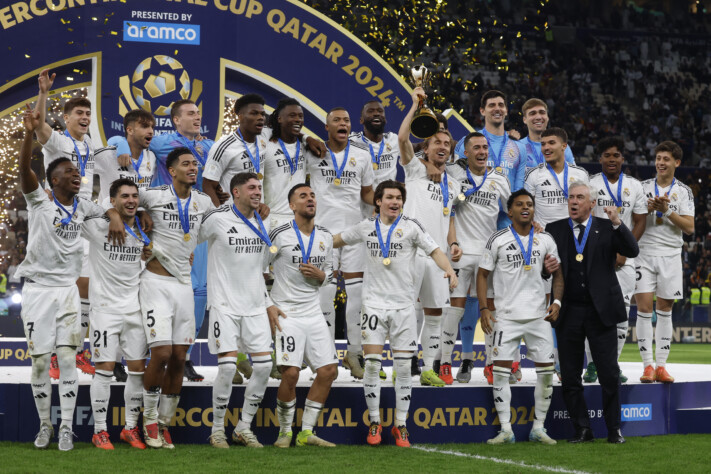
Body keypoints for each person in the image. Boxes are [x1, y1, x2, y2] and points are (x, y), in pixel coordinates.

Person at [16, 106, 124, 451]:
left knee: (66, 358)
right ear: (53, 180)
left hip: (66, 292)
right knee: (38, 361)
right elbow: (23, 172)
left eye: (78, 171)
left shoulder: (81, 205)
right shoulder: (40, 203)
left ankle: (65, 427)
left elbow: (104, 206)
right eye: (68, 172)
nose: (76, 175)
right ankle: (44, 425)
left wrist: (113, 215)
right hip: (36, 291)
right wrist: (28, 136)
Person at [333, 180, 458, 447]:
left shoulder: (412, 227)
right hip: (374, 306)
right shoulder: (366, 227)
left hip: (403, 307)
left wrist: (448, 269)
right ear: (378, 201)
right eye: (389, 197)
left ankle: (401, 425)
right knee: (373, 365)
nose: (395, 202)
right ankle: (375, 423)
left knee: (403, 368)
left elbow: (435, 250)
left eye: (399, 198)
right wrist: (312, 245)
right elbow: (336, 240)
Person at [108, 98, 217, 382]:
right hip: (163, 221)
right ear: (176, 120)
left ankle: (187, 357)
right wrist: (120, 147)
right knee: (142, 287)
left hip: (195, 221)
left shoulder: (210, 145)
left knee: (199, 290)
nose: (197, 117)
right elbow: (123, 136)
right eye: (191, 113)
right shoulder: (161, 141)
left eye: (198, 113)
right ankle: (127, 356)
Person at [544, 181, 639, 444]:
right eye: (571, 197)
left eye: (579, 198)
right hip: (569, 310)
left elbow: (632, 250)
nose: (573, 202)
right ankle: (582, 429)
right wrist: (546, 267)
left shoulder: (608, 228)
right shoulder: (555, 230)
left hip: (601, 312)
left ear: (592, 203)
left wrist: (619, 223)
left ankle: (613, 429)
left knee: (608, 373)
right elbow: (547, 269)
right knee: (571, 375)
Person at [137, 147, 214, 448]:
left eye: (195, 164)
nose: (193, 168)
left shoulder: (204, 202)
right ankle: (149, 421)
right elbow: (116, 202)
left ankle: (165, 424)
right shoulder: (153, 196)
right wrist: (139, 218)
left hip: (184, 285)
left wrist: (192, 243)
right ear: (172, 170)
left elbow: (210, 229)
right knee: (162, 354)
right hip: (155, 282)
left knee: (181, 358)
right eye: (186, 164)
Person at [477, 189, 562, 445]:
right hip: (506, 317)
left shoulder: (546, 239)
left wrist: (556, 301)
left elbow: (558, 273)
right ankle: (506, 430)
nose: (525, 208)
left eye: (529, 204)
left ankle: (539, 428)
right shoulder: (498, 239)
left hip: (539, 317)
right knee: (501, 373)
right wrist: (484, 308)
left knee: (546, 374)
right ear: (510, 210)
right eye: (520, 205)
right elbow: (482, 274)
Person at [199, 172, 274, 449]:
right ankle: (217, 430)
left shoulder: (263, 222)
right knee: (228, 367)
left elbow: (261, 270)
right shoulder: (217, 218)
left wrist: (268, 304)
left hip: (254, 307)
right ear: (236, 192)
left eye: (259, 188)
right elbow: (188, 240)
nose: (257, 192)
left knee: (265, 367)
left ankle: (243, 427)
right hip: (224, 305)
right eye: (251, 188)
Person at [33, 69, 97, 376]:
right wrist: (44, 93)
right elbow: (41, 128)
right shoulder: (59, 141)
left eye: (87, 113)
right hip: (58, 219)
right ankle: (55, 351)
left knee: (84, 287)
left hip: (81, 217)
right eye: (79, 113)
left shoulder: (90, 147)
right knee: (62, 285)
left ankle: (76, 350)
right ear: (66, 117)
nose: (84, 117)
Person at [398, 87, 460, 386]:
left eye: (447, 143)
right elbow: (401, 139)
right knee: (407, 310)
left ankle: (427, 368)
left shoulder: (452, 183)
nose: (443, 146)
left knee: (435, 312)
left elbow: (447, 217)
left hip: (438, 256)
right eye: (437, 141)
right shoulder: (414, 170)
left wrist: (453, 243)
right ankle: (403, 362)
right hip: (410, 252)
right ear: (427, 145)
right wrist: (415, 105)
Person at [268, 183, 338, 448]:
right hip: (287, 313)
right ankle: (285, 432)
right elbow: (259, 267)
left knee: (328, 370)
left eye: (312, 196)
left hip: (313, 312)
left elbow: (330, 271)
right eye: (303, 196)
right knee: (291, 374)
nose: (310, 199)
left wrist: (324, 277)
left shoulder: (325, 236)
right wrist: (267, 304)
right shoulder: (279, 235)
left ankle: (306, 432)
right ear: (291, 206)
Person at [306, 107, 374, 379]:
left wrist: (383, 203)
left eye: (346, 119)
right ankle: (325, 354)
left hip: (354, 232)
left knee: (357, 295)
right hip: (322, 233)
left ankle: (354, 353)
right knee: (324, 293)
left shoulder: (362, 155)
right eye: (337, 120)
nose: (343, 123)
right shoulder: (311, 153)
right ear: (327, 127)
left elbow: (367, 193)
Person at [84, 178, 151, 450]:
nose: (131, 200)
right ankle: (100, 431)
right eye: (124, 196)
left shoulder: (145, 229)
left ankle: (130, 429)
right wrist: (109, 214)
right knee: (104, 371)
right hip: (104, 311)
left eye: (134, 196)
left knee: (137, 372)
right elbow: (79, 208)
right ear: (112, 200)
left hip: (134, 310)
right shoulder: (99, 226)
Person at [440, 132, 511, 384]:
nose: (482, 152)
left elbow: (508, 211)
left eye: (485, 148)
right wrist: (462, 195)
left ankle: (491, 364)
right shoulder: (453, 173)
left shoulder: (499, 179)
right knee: (455, 308)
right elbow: (449, 204)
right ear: (466, 153)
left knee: (490, 308)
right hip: (460, 251)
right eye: (476, 148)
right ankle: (446, 363)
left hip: (489, 253)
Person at [586, 137, 647, 383]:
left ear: (623, 158)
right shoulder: (590, 183)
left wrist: (624, 250)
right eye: (607, 155)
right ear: (600, 158)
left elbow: (641, 221)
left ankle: (612, 364)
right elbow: (584, 219)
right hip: (596, 258)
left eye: (616, 155)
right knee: (593, 313)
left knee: (621, 314)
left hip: (626, 260)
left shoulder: (635, 185)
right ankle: (592, 365)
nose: (612, 159)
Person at [635, 141, 695, 383]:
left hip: (671, 254)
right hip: (644, 252)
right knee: (644, 308)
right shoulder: (641, 187)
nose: (660, 162)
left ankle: (661, 366)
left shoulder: (684, 191)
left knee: (665, 309)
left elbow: (690, 228)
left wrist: (667, 210)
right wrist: (646, 210)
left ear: (676, 163)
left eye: (666, 159)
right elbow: (633, 221)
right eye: (658, 158)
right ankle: (647, 366)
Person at [350, 100, 400, 218]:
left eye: (380, 111)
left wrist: (428, 164)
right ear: (361, 120)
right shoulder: (351, 141)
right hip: (359, 212)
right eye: (370, 111)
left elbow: (415, 152)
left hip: (387, 210)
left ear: (385, 119)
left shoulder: (394, 140)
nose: (376, 113)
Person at [263, 98, 308, 231]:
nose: (298, 120)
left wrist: (307, 138)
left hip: (299, 218)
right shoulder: (266, 145)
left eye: (300, 116)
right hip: (272, 217)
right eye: (292, 115)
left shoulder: (307, 147)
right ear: (279, 119)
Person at [95, 110, 156, 203]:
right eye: (145, 127)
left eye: (152, 127)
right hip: (108, 215)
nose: (151, 131)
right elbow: (76, 163)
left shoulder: (152, 156)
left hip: (136, 216)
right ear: (130, 130)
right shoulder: (109, 154)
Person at [516, 98, 576, 168]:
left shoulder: (561, 147)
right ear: (524, 120)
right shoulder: (517, 148)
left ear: (547, 117)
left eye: (542, 112)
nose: (538, 117)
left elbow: (574, 175)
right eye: (532, 113)